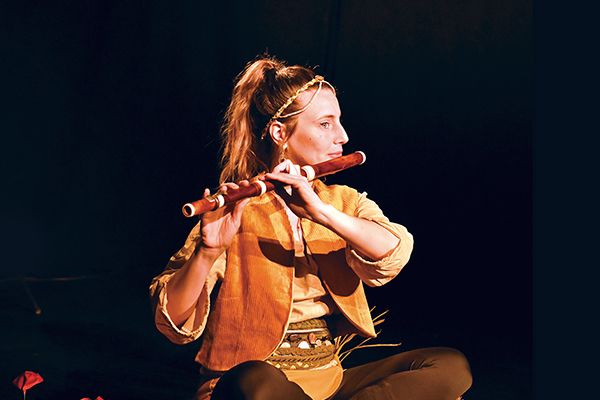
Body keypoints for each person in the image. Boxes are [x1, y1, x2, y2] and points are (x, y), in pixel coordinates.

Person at [149, 55, 472, 400]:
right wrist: (208, 251)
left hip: (331, 384)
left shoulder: (341, 202)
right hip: (259, 387)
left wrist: (322, 213)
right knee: (252, 380)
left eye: (339, 122)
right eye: (325, 124)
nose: (343, 136)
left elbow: (393, 252)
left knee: (449, 365)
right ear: (280, 133)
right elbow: (172, 322)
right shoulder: (233, 212)